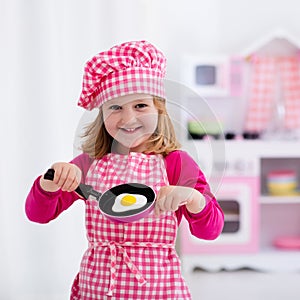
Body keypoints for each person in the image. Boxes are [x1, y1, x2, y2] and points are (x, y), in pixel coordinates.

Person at [25, 40, 224, 300]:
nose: (128, 118)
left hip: (158, 289)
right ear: (103, 114)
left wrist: (194, 199)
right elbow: (38, 214)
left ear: (159, 109)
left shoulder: (177, 163)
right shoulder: (89, 165)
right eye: (115, 107)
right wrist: (49, 183)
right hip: (97, 287)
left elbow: (210, 230)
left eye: (140, 105)